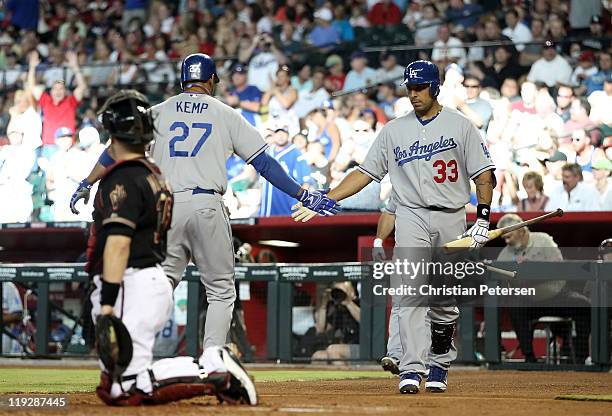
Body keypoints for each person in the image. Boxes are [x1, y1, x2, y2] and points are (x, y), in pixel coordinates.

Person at [71, 54, 337, 370]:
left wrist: (88, 181)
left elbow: (115, 148)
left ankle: (134, 354)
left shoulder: (158, 112)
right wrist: (303, 193)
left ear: (183, 80)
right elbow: (264, 163)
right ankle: (213, 361)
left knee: (159, 285)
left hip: (166, 209)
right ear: (211, 80)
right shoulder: (227, 113)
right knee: (222, 291)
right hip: (206, 205)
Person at [293, 60, 495, 394]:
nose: (414, 94)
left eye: (420, 87)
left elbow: (485, 175)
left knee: (443, 301)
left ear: (435, 87)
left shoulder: (461, 126)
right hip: (410, 214)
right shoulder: (394, 130)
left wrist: (484, 218)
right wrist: (327, 198)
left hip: (451, 215)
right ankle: (412, 368)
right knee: (411, 294)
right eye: (410, 88)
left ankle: (439, 363)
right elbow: (364, 172)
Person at [87, 89, 257, 406]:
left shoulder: (125, 179)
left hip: (132, 283)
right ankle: (211, 363)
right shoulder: (153, 176)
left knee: (125, 389)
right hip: (148, 279)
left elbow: (118, 245)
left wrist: (107, 301)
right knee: (112, 384)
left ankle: (213, 369)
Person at [496, 213, 591, 363]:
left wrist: (531, 271)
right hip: (529, 301)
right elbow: (503, 283)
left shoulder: (544, 240)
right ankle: (529, 357)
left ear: (522, 230)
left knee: (584, 305)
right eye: (505, 238)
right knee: (512, 304)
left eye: (510, 236)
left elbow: (558, 265)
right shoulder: (504, 255)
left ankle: (581, 357)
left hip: (557, 295)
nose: (507, 241)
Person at [26, 50, 87, 153]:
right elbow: (31, 87)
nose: (58, 91)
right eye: (55, 89)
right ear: (51, 91)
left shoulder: (70, 101)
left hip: (67, 148)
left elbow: (82, 86)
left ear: (65, 92)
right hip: (49, 148)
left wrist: (75, 67)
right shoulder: (46, 100)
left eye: (61, 89)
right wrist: (32, 67)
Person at [259, 120, 312, 216]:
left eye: (283, 133)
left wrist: (302, 201)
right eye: (277, 133)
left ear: (288, 134)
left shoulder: (295, 152)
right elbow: (261, 182)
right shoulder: (267, 152)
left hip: (287, 200)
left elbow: (306, 180)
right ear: (273, 134)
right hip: (268, 202)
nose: (280, 136)